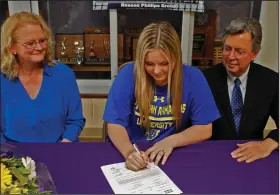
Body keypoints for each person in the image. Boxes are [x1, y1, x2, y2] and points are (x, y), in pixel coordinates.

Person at [103, 21, 220, 171]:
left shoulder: (194, 77)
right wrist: (129, 152)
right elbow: (114, 124)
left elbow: (204, 128)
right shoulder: (128, 74)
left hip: (171, 153)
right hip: (132, 148)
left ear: (176, 58)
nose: (157, 71)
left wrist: (171, 141)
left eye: (164, 63)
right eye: (149, 64)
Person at [0, 11, 85, 142]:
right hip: (13, 156)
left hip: (60, 149)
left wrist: (65, 145)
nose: (39, 47)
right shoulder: (2, 79)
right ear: (12, 47)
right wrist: (10, 158)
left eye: (42, 40)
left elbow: (75, 120)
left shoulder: (63, 74)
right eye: (30, 43)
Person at [203, 18, 279, 163]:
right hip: (211, 156)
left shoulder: (271, 80)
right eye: (227, 49)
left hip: (253, 159)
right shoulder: (204, 79)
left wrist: (268, 143)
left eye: (239, 51)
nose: (231, 57)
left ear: (254, 54)